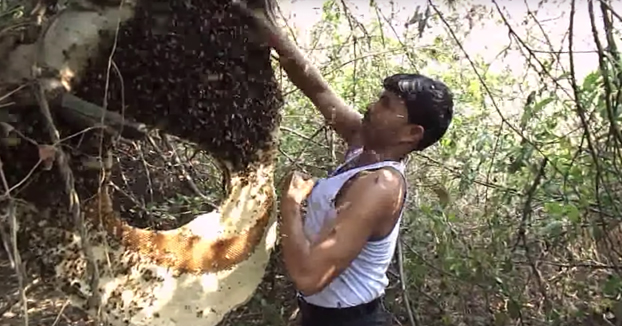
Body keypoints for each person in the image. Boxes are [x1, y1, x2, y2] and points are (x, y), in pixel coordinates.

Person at [246, 6, 454, 326]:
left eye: (387, 104)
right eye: (379, 97)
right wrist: (272, 35)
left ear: (412, 133)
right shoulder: (363, 142)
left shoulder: (380, 185)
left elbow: (309, 276)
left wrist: (290, 204)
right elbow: (316, 88)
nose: (372, 106)